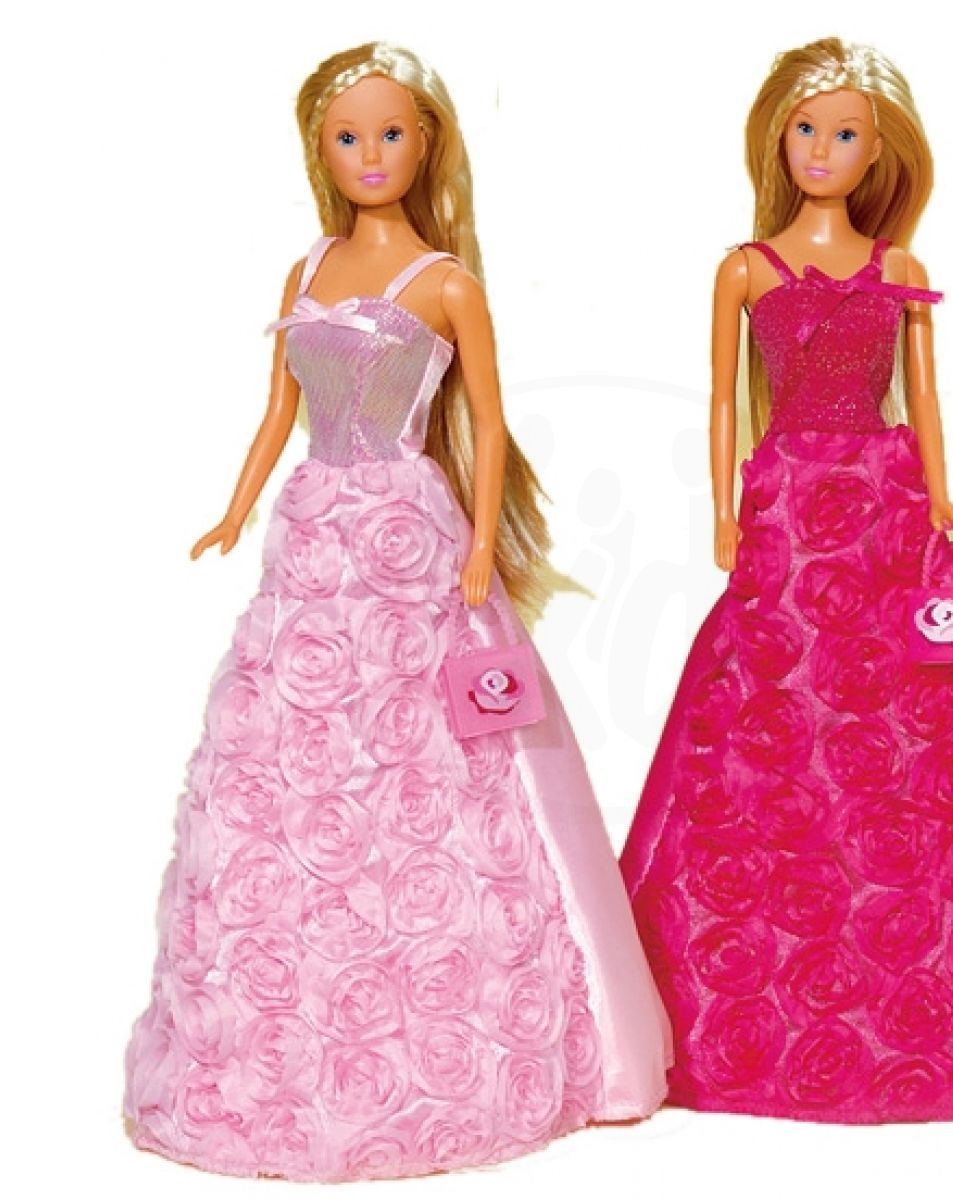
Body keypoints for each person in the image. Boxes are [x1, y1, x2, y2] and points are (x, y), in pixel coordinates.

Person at [123, 41, 670, 1181]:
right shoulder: (309, 267)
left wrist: (477, 545)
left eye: (389, 134)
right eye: (347, 137)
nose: (369, 154)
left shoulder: (446, 282)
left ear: (427, 145)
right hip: (315, 533)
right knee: (295, 740)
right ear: (318, 150)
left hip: (407, 536)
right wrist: (234, 509)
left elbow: (489, 426)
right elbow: (278, 410)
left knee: (428, 754)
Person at [619, 37, 953, 1123]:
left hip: (882, 506)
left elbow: (925, 397)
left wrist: (942, 497)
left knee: (901, 724)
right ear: (777, 138)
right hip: (787, 502)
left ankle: (920, 958)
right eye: (806, 129)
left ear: (879, 153)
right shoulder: (747, 269)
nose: (822, 149)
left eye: (845, 134)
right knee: (782, 715)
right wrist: (727, 511)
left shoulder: (900, 271)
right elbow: (722, 399)